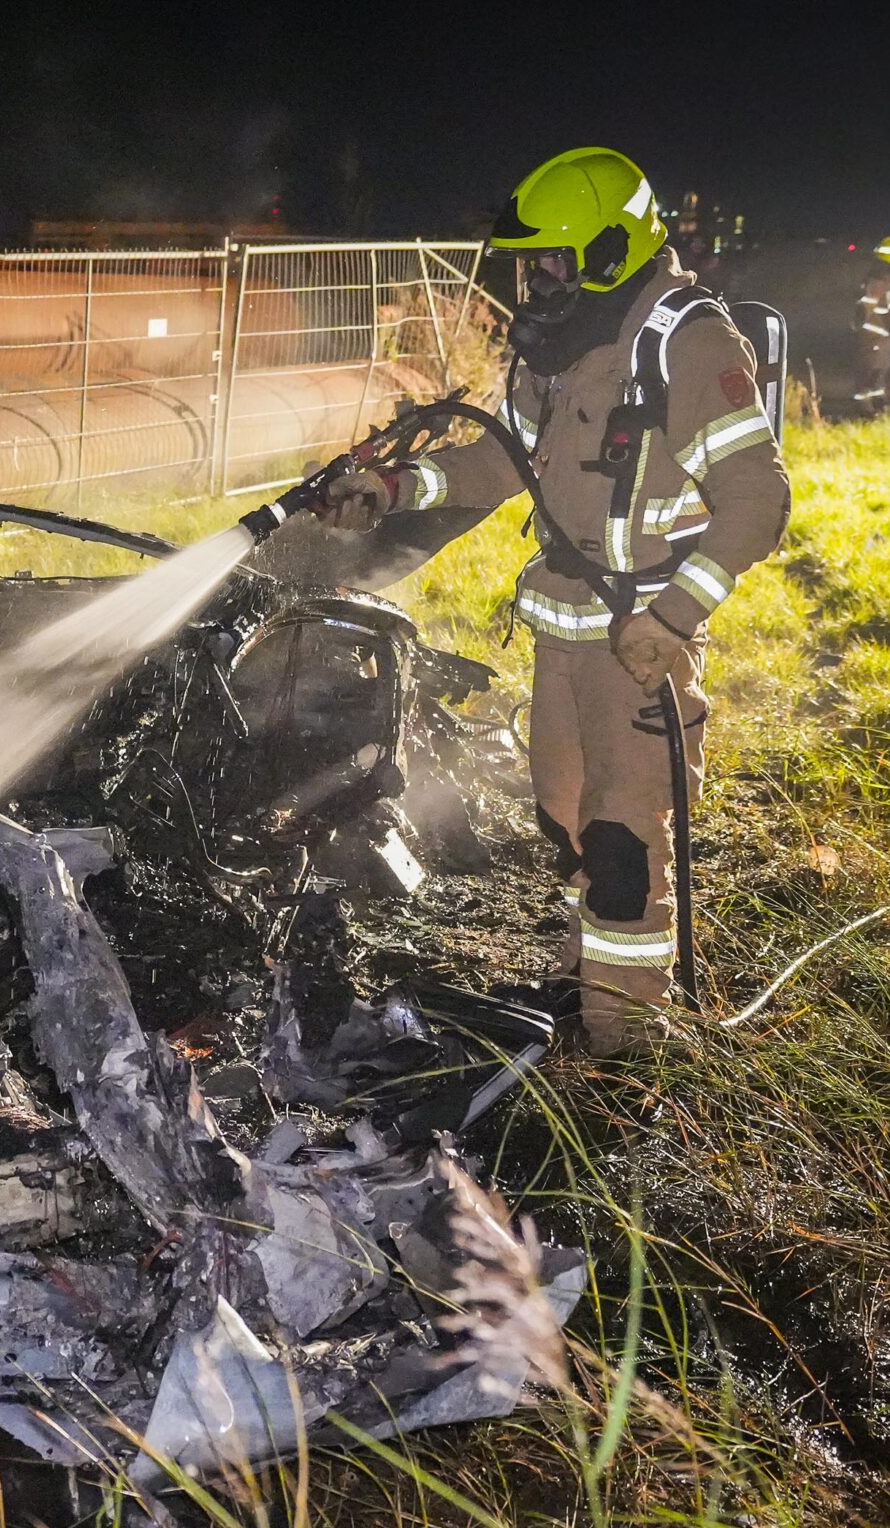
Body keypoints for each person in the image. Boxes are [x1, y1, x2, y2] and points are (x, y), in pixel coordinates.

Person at [321, 146, 791, 1055]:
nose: (533, 282)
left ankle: (625, 1043)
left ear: (611, 252)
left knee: (623, 842)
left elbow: (759, 500)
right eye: (527, 264)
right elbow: (505, 461)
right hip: (563, 636)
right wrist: (398, 486)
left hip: (640, 648)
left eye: (551, 262)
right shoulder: (559, 345)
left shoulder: (687, 342)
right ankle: (587, 979)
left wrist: (673, 618)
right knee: (566, 820)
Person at [853, 237, 890, 413]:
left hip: (881, 336)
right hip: (874, 336)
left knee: (879, 371)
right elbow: (874, 310)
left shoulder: (880, 279)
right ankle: (865, 408)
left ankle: (878, 403)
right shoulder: (878, 282)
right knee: (870, 371)